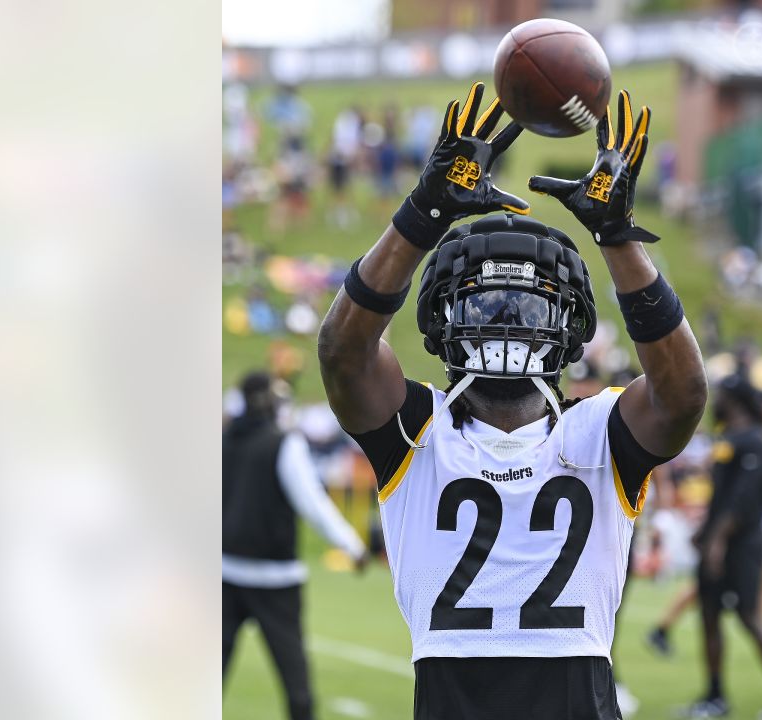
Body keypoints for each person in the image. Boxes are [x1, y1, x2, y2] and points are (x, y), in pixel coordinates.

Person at [318, 82, 707, 720]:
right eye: (483, 303)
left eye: (526, 306)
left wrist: (617, 237)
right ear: (443, 320)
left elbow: (685, 391)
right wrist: (424, 211)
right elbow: (341, 350)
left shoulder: (599, 430)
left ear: (571, 328)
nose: (504, 321)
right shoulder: (418, 431)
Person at [222, 371, 368, 720]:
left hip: (224, 575)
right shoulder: (283, 443)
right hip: (275, 580)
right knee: (297, 691)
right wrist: (352, 545)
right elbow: (313, 504)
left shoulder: (225, 440)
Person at [685, 372, 762, 719]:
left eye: (721, 395)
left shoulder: (756, 442)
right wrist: (705, 532)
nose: (715, 400)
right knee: (708, 617)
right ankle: (715, 695)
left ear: (733, 399)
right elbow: (721, 497)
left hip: (743, 545)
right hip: (714, 543)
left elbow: (744, 500)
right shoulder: (728, 438)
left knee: (750, 615)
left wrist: (717, 539)